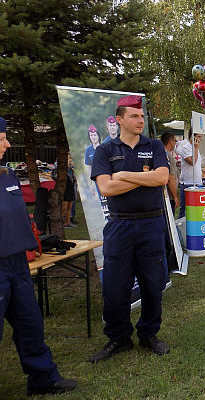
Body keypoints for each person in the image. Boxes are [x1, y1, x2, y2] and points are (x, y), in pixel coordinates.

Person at [89, 95, 170, 363]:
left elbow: (162, 177)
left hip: (151, 223)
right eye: (134, 116)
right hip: (120, 224)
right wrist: (144, 179)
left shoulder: (154, 145)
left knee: (152, 283)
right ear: (120, 119)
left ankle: (148, 334)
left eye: (142, 116)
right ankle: (119, 338)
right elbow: (106, 187)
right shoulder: (105, 151)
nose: (140, 120)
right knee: (115, 287)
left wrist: (123, 175)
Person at [0, 116, 77, 395]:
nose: (7, 144)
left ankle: (43, 379)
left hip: (18, 265)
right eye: (1, 139)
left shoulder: (6, 175)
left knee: (30, 326)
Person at [176, 128, 203, 219]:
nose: (200, 139)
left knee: (196, 209)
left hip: (197, 182)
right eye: (198, 136)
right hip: (188, 183)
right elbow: (192, 162)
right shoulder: (186, 148)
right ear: (192, 137)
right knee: (184, 209)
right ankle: (180, 229)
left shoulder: (196, 149)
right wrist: (196, 148)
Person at [161, 132, 179, 215]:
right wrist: (175, 197)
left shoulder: (160, 154)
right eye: (175, 141)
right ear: (170, 142)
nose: (175, 143)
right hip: (169, 196)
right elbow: (170, 179)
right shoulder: (168, 156)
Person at [62, 153, 77, 228]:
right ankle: (61, 221)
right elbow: (53, 174)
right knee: (64, 206)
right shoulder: (59, 164)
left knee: (70, 206)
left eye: (70, 157)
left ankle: (67, 222)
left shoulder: (71, 166)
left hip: (71, 185)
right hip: (64, 186)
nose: (70, 159)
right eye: (68, 157)